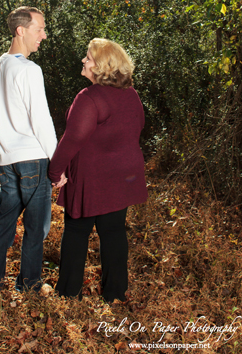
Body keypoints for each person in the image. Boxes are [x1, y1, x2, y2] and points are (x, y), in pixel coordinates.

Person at [48, 38, 147, 303]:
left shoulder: (89, 97)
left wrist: (54, 171)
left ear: (102, 65)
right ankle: (115, 294)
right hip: (122, 177)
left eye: (88, 58)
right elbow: (137, 127)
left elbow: (72, 139)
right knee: (114, 232)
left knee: (76, 232)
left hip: (92, 179)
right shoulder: (131, 94)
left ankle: (69, 294)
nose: (83, 60)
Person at [0, 6, 59, 294]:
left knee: (5, 220)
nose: (44, 36)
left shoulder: (1, 64)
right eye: (39, 29)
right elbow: (41, 120)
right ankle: (29, 284)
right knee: (36, 227)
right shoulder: (29, 69)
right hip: (33, 160)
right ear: (21, 30)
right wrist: (58, 162)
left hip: (8, 159)